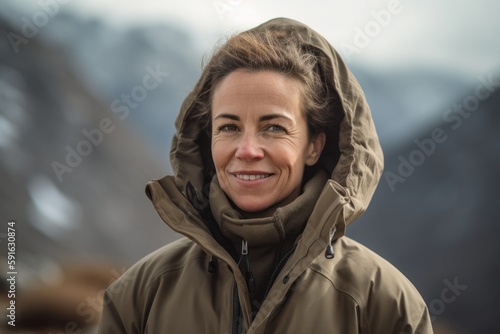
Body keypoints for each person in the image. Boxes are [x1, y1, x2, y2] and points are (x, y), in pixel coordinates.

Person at [98, 17, 432, 333]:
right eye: (228, 127)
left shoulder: (386, 305)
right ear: (207, 139)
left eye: (273, 127)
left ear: (314, 146)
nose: (247, 150)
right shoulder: (139, 296)